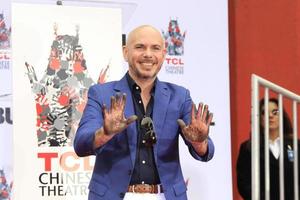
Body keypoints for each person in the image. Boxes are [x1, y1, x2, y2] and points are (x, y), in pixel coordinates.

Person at [74, 25, 215, 200]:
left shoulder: (179, 96)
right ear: (125, 52)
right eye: (140, 47)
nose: (148, 54)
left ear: (163, 54)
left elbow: (206, 152)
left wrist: (199, 141)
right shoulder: (101, 94)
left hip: (165, 195)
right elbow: (80, 144)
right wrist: (105, 133)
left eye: (155, 48)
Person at [236, 98, 300, 200]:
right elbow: (244, 183)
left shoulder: (296, 145)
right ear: (259, 118)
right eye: (264, 112)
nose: (270, 116)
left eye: (275, 112)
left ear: (282, 116)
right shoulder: (248, 148)